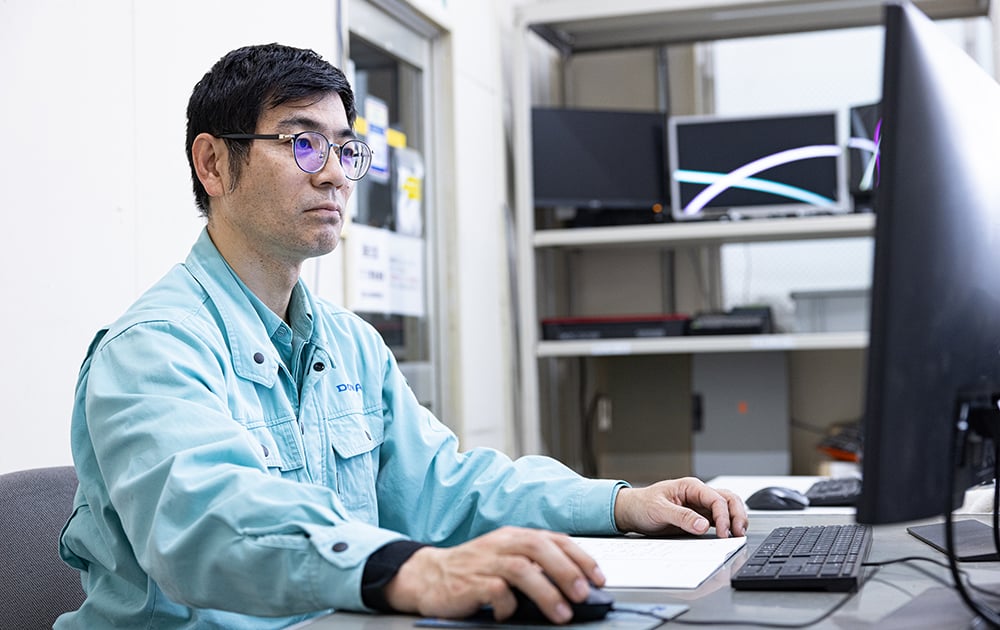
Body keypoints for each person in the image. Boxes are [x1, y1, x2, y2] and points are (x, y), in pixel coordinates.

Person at [56, 43, 747, 629]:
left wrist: (621, 504)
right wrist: (411, 569)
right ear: (213, 164)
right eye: (301, 142)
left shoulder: (350, 344)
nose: (332, 172)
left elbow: (445, 488)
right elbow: (206, 522)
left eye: (344, 148)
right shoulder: (153, 348)